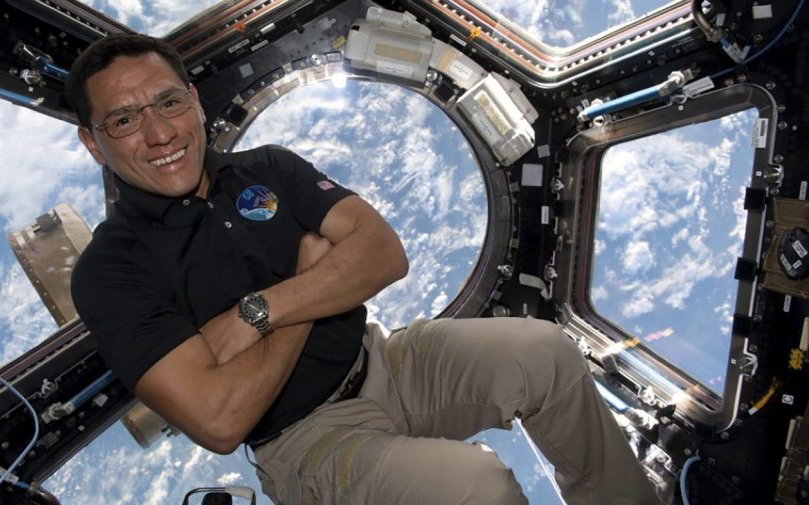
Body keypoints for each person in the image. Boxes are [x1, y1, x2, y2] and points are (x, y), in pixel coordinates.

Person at [67, 33, 660, 505]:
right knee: (479, 489)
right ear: (94, 144)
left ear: (193, 101)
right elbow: (220, 419)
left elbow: (382, 253)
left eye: (168, 102)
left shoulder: (267, 168)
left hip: (386, 359)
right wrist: (306, 292)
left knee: (544, 351)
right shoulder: (110, 270)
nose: (160, 132)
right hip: (302, 439)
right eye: (123, 119)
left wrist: (259, 313)